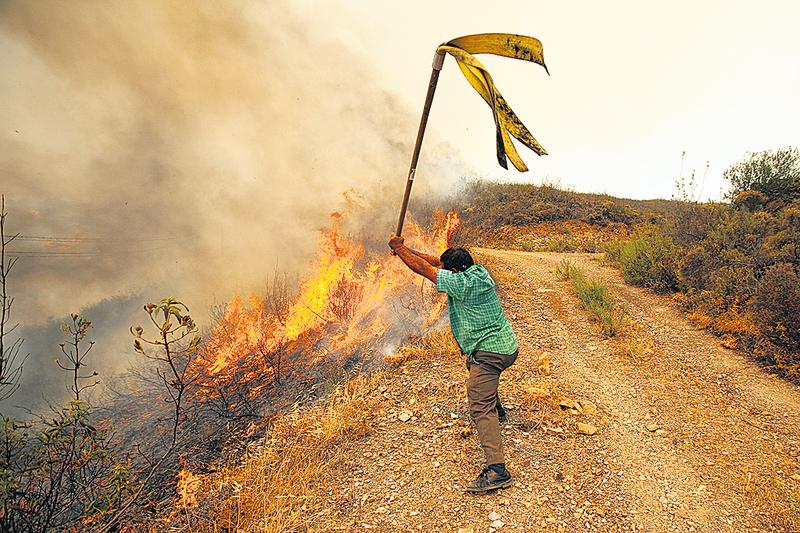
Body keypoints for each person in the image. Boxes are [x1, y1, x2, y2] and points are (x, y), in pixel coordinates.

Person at [388, 234, 518, 493]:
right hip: (506, 346)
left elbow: (424, 269)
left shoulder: (463, 285)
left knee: (478, 402)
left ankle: (498, 471)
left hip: (490, 352)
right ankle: (499, 412)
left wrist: (400, 251)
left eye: (448, 271)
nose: (443, 271)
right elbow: (435, 262)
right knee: (478, 372)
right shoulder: (478, 271)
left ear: (456, 272)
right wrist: (405, 248)